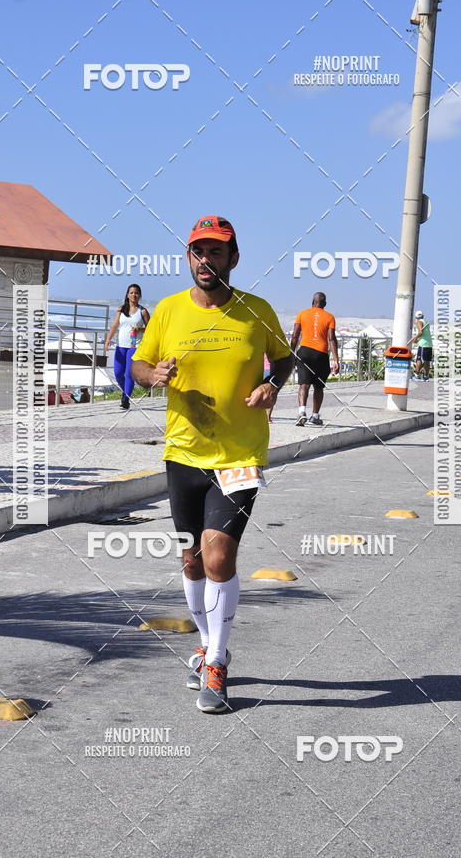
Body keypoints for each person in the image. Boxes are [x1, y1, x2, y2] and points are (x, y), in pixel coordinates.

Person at [131, 215, 293, 713]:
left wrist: (271, 386)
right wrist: (152, 375)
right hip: (183, 452)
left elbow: (284, 359)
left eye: (216, 251)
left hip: (239, 454)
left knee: (219, 555)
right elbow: (138, 365)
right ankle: (205, 644)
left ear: (233, 258)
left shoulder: (256, 311)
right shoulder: (168, 310)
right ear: (189, 258)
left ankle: (218, 662)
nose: (206, 260)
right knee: (191, 558)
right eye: (198, 251)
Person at [290, 292, 339, 427]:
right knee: (319, 386)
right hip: (321, 354)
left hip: (304, 352)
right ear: (325, 304)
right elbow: (331, 339)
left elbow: (295, 335)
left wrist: (291, 353)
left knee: (303, 384)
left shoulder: (302, 314)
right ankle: (315, 416)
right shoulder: (329, 317)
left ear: (312, 302)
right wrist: (336, 359)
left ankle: (301, 412)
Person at [105, 284, 150, 410]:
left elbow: (151, 329)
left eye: (136, 293)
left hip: (134, 346)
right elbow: (115, 325)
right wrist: (108, 339)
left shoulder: (142, 311)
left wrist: (140, 329)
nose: (134, 295)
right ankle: (125, 392)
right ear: (127, 294)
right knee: (118, 373)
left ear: (139, 295)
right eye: (131, 292)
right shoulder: (121, 309)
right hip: (121, 345)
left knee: (128, 373)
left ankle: (125, 400)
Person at [410, 310, 433, 380]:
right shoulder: (425, 321)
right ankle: (426, 376)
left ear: (416, 317)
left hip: (423, 344)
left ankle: (416, 375)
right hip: (429, 343)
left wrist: (415, 338)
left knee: (419, 359)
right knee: (427, 360)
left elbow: (420, 332)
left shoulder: (419, 322)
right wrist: (418, 339)